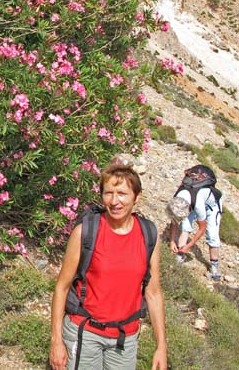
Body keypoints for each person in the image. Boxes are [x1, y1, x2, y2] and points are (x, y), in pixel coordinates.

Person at [50, 158, 167, 370]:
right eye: (108, 193)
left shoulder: (149, 234)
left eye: (122, 194)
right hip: (85, 332)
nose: (114, 201)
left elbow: (153, 292)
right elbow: (62, 287)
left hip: (125, 338)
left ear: (136, 197)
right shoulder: (85, 232)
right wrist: (56, 340)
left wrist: (161, 346)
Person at [168, 165, 223, 280]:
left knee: (212, 234)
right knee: (185, 225)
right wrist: (172, 240)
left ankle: (215, 268)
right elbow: (174, 219)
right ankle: (180, 255)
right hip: (192, 201)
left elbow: (202, 228)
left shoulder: (198, 204)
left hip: (212, 206)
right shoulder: (178, 196)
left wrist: (190, 245)